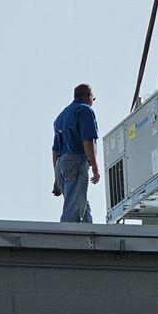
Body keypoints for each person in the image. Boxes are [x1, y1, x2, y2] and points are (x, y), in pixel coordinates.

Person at [52, 84, 100, 223]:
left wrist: (56, 177)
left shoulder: (61, 117)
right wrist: (95, 168)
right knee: (74, 209)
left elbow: (55, 149)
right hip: (76, 161)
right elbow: (87, 141)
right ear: (88, 96)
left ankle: (88, 232)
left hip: (61, 165)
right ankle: (67, 239)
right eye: (93, 98)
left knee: (80, 202)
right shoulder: (84, 110)